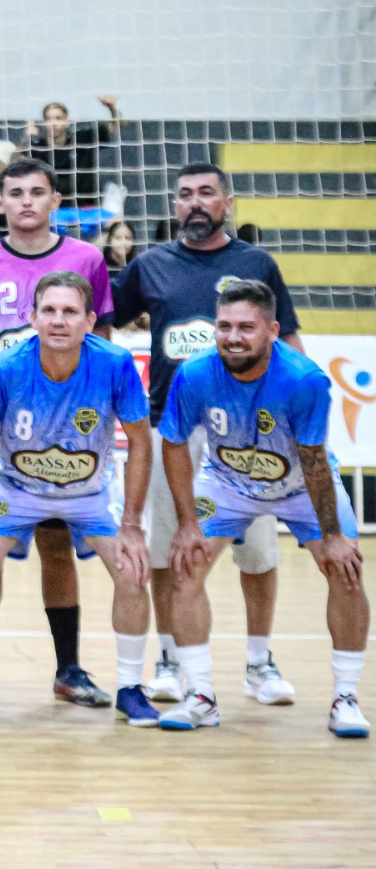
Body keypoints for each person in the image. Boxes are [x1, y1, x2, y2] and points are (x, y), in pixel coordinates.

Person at [112, 162, 303, 706]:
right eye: (184, 195)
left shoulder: (255, 263)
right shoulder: (149, 265)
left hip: (249, 433)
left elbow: (287, 338)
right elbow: (103, 326)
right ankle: (171, 658)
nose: (195, 203)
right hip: (171, 428)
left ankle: (259, 663)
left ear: (227, 202)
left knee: (258, 553)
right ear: (174, 206)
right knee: (168, 549)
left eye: (206, 194)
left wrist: (295, 418)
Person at [0, 271, 159, 727]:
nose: (59, 321)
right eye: (50, 311)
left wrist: (134, 525)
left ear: (89, 320)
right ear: (32, 317)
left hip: (90, 492)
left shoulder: (116, 364)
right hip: (17, 490)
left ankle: (130, 688)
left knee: (133, 569)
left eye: (70, 312)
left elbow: (141, 441)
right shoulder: (6, 367)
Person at [156, 280, 368, 738]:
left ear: (272, 330)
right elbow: (173, 444)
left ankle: (346, 697)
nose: (233, 336)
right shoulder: (193, 374)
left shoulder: (305, 379)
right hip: (226, 482)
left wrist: (332, 536)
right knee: (185, 565)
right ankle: (202, 696)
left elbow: (313, 460)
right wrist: (188, 524)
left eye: (246, 327)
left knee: (346, 570)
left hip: (299, 483)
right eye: (225, 326)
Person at [0, 157, 118, 707]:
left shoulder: (86, 258)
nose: (25, 201)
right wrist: (7, 387)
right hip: (2, 429)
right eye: (14, 193)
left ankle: (68, 669)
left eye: (36, 192)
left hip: (69, 434)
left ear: (54, 200)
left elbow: (103, 333)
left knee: (56, 547)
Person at [21, 97, 124, 229]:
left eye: (58, 118)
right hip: (52, 211)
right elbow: (12, 162)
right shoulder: (36, 147)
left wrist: (112, 108)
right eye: (49, 119)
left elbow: (116, 126)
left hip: (86, 209)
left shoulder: (82, 139)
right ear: (43, 123)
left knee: (117, 224)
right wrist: (26, 138)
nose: (54, 123)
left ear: (67, 121)